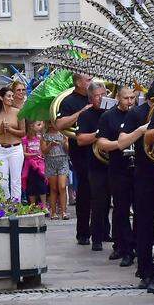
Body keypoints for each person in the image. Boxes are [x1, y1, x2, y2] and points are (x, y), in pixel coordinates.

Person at [124, 91, 154, 290]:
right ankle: (144, 270)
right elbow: (122, 142)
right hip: (144, 174)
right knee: (143, 224)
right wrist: (142, 131)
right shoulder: (137, 112)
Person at [96, 85, 143, 268]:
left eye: (133, 98)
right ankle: (125, 248)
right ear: (118, 98)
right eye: (126, 98)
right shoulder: (108, 116)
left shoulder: (140, 114)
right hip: (118, 168)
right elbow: (101, 142)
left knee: (141, 209)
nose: (130, 102)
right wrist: (122, 144)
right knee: (121, 209)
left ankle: (139, 245)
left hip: (139, 169)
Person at [56, 73, 93, 244]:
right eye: (88, 80)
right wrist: (81, 112)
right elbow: (60, 124)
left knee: (103, 191)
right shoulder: (69, 101)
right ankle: (83, 232)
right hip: (79, 149)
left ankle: (102, 231)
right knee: (85, 190)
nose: (91, 82)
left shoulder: (97, 96)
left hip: (97, 147)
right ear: (78, 83)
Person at [76, 82, 110, 251]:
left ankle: (111, 235)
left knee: (117, 203)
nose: (102, 98)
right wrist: (99, 134)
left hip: (114, 163)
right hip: (95, 164)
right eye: (98, 95)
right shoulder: (86, 115)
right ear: (90, 98)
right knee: (98, 202)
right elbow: (81, 139)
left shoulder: (111, 112)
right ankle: (96, 238)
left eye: (104, 94)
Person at [0, 80, 25, 202]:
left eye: (12, 96)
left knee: (16, 179)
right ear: (1, 98)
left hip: (15, 148)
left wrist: (10, 129)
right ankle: (5, 203)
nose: (12, 98)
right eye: (9, 96)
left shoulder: (18, 112)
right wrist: (1, 130)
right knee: (2, 180)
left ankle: (16, 204)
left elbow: (23, 133)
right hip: (0, 149)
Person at [42, 120, 70, 220]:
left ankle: (64, 211)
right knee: (53, 188)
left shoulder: (63, 134)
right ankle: (53, 212)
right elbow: (44, 151)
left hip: (62, 160)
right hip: (50, 162)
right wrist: (50, 145)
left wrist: (66, 141)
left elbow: (68, 150)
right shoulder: (45, 136)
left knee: (62, 187)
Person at [21, 120, 49, 209]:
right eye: (38, 125)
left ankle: (44, 206)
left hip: (40, 165)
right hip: (30, 166)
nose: (41, 126)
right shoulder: (25, 139)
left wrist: (42, 154)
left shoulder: (40, 138)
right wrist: (33, 155)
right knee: (31, 186)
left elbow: (43, 151)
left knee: (42, 184)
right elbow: (24, 153)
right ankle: (33, 206)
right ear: (31, 127)